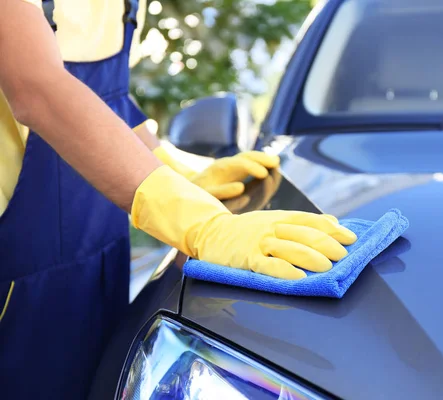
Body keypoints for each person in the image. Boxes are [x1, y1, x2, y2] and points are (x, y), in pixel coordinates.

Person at [0, 0, 357, 397]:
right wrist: (203, 224)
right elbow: (34, 86)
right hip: (18, 274)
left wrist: (171, 166)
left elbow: (103, 94)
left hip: (97, 260)